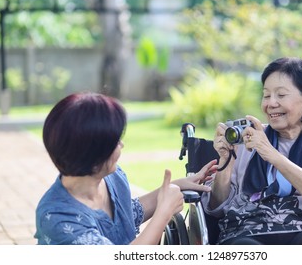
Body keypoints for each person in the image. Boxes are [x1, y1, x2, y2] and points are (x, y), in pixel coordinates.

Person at [201, 57, 302, 245]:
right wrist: (226, 162)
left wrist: (272, 155)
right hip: (245, 229)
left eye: (280, 95)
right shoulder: (245, 140)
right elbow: (216, 207)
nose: (271, 103)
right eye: (266, 95)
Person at [35, 91, 218, 245]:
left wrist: (178, 186)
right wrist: (163, 213)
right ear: (92, 153)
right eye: (115, 141)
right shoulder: (57, 217)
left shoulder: (111, 178)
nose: (122, 145)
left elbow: (127, 215)